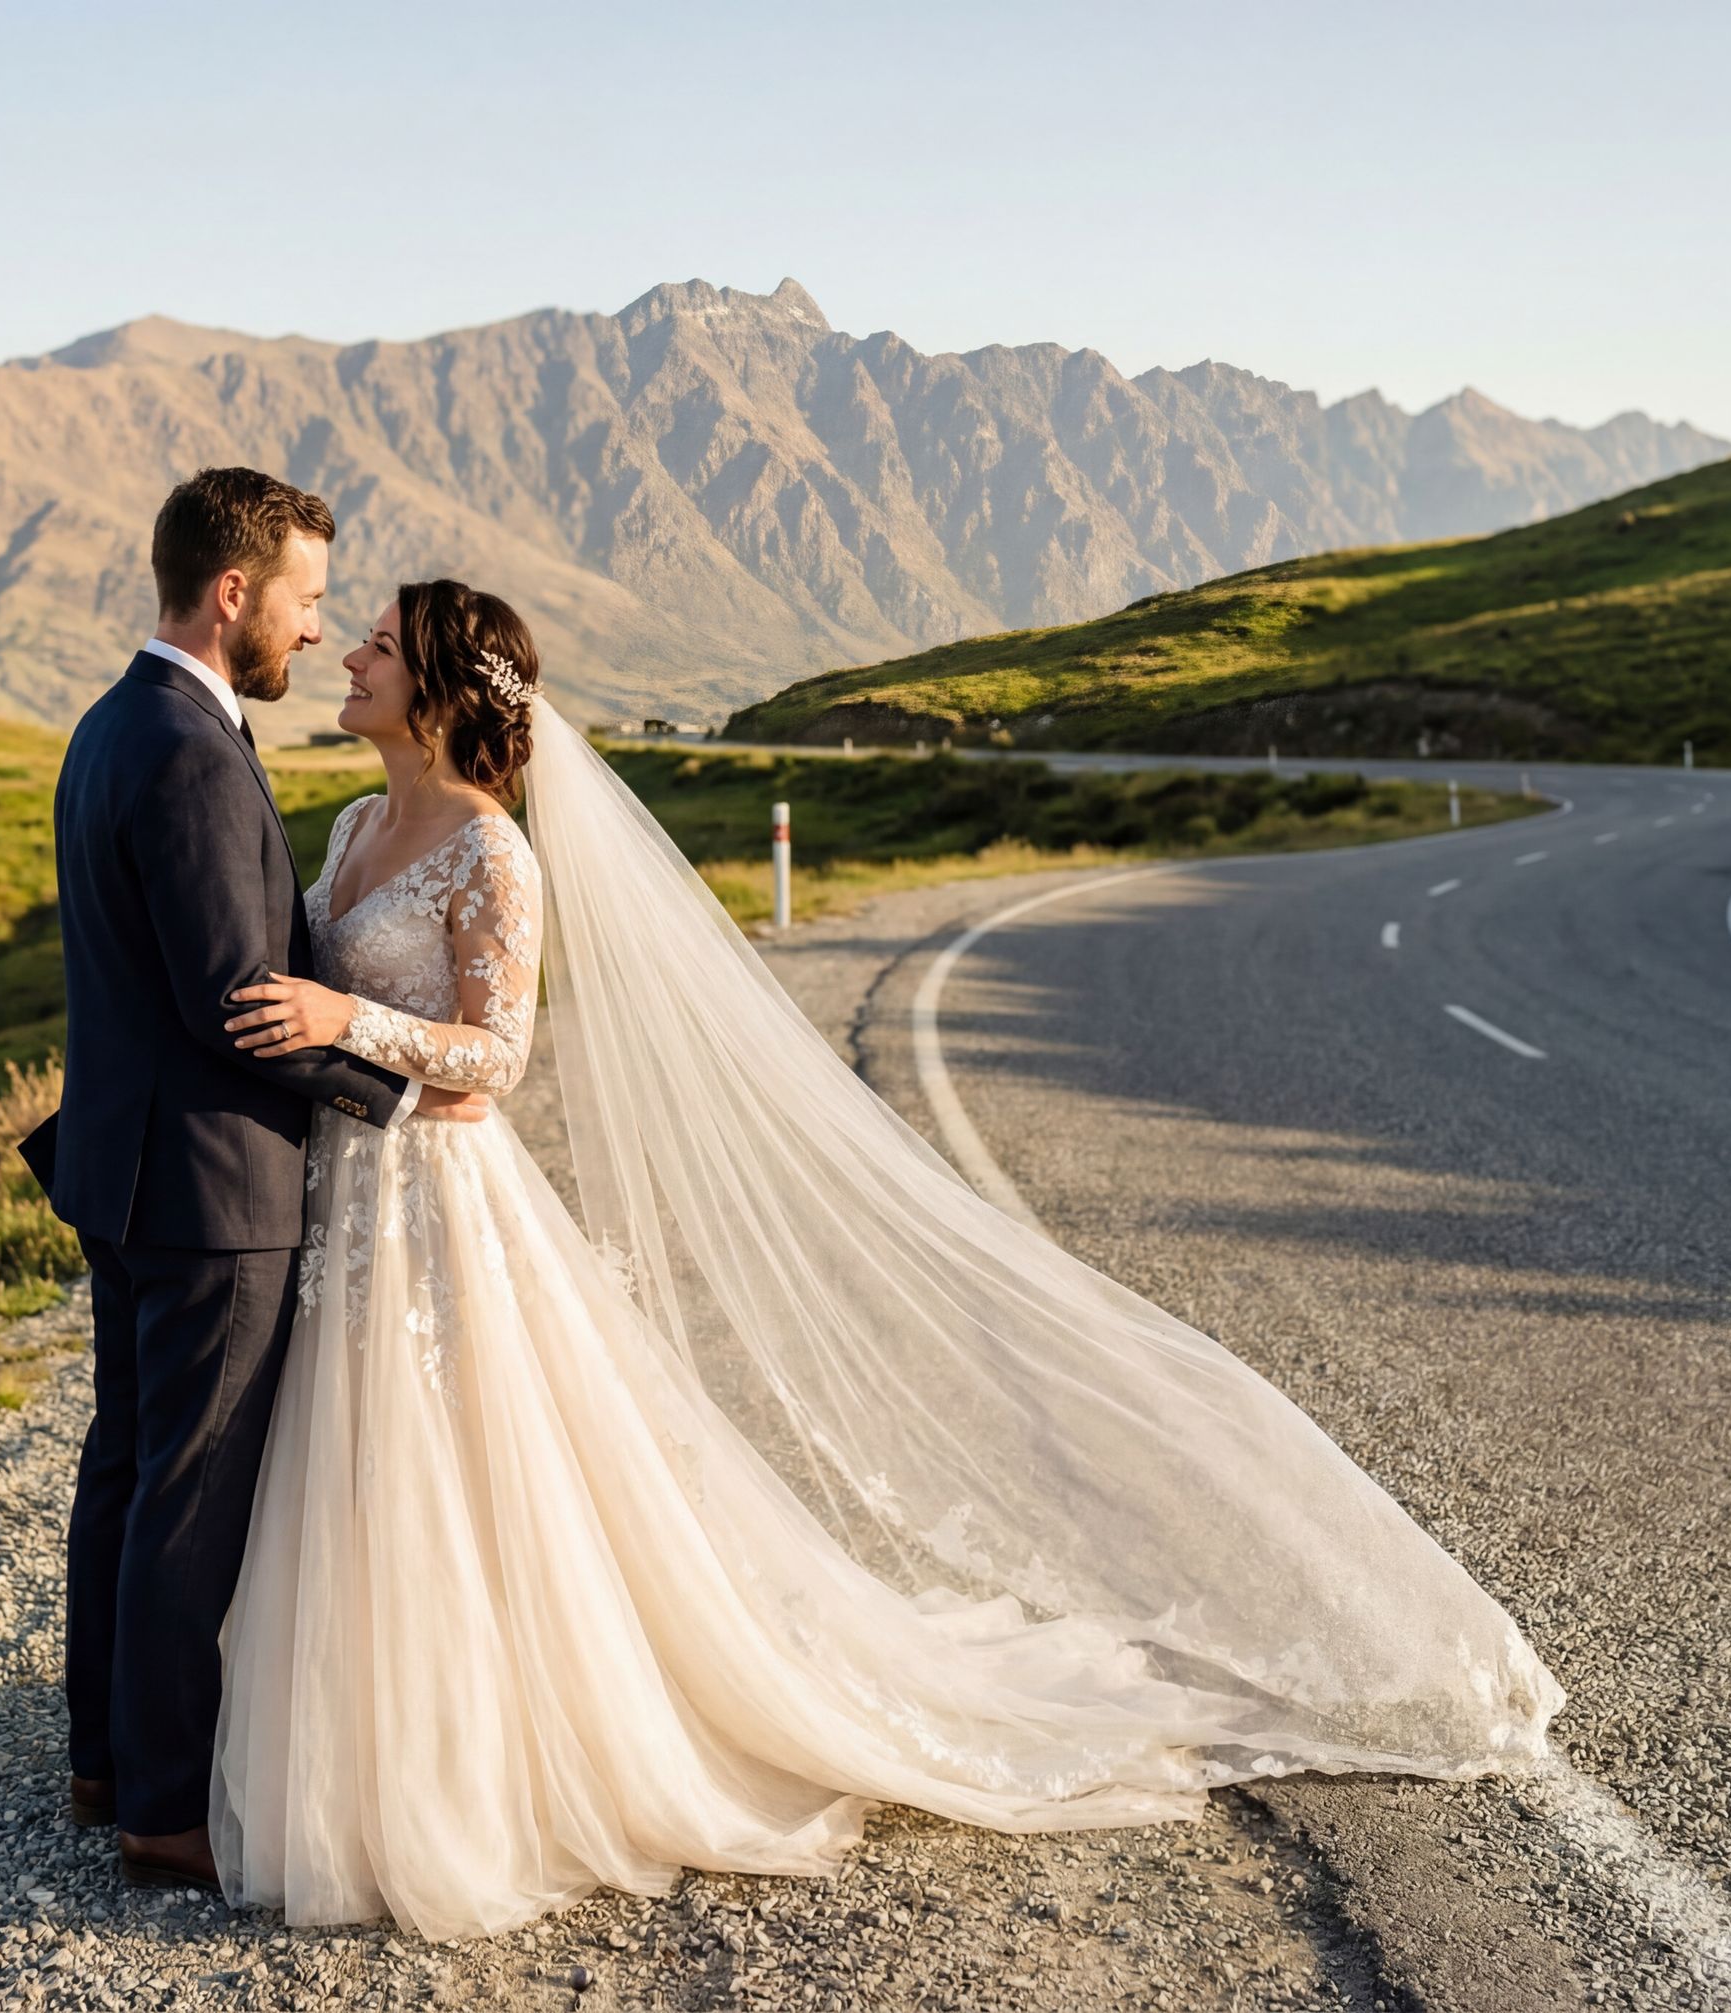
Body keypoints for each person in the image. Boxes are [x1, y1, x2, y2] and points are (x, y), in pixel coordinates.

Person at [209, 579, 1564, 1940]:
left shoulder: (497, 855)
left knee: (454, 1465)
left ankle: (476, 1761)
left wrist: (348, 1017)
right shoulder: (353, 823)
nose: (353, 654)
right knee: (367, 1469)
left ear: (439, 689)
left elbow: (498, 1062)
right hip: (349, 1186)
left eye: (380, 643)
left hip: (441, 1196)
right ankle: (393, 1719)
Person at [19, 470, 485, 1894]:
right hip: (215, 1190)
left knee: (124, 1469)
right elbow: (245, 1003)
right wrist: (404, 1093)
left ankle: (104, 1752)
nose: (314, 629)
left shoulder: (113, 724)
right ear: (236, 595)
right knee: (186, 1491)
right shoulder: (193, 750)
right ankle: (162, 1808)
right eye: (304, 600)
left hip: (125, 1168)